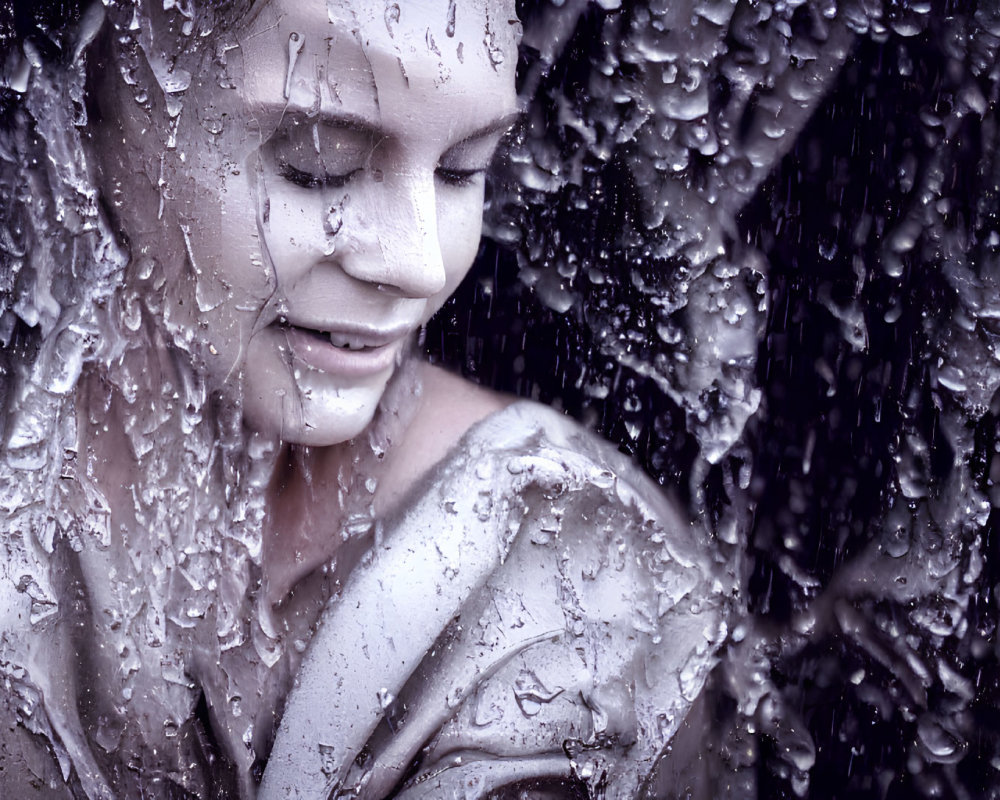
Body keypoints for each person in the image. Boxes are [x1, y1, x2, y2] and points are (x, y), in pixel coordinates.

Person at [0, 1, 727, 797]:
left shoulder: (567, 559)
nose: (418, 266)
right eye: (320, 164)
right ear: (91, 113)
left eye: (462, 168)